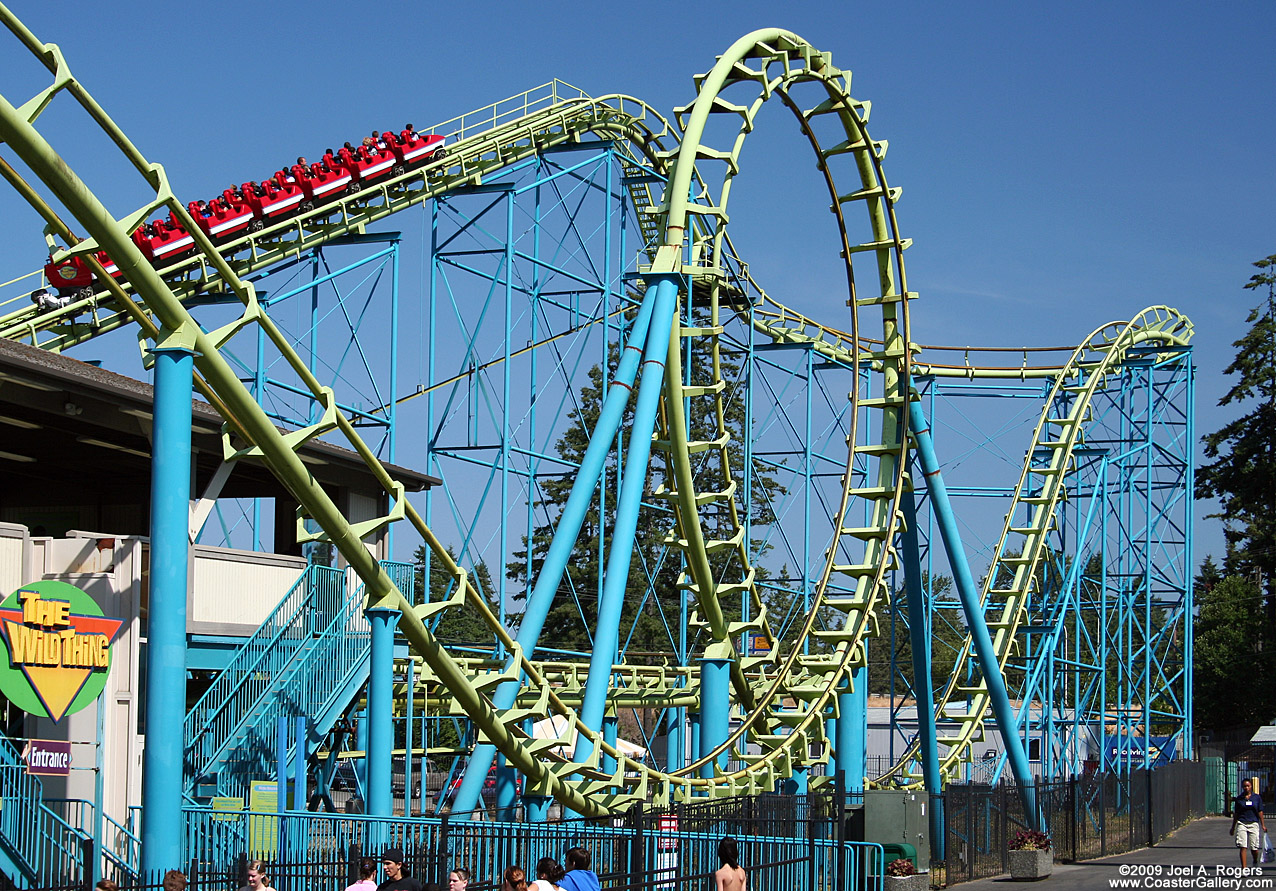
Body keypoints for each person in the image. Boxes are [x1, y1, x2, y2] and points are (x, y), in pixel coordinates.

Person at [1231, 778, 1267, 866]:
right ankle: (1244, 868)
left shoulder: (1257, 798)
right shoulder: (1239, 799)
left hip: (1253, 823)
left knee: (1254, 847)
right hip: (1242, 823)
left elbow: (1260, 811)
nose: (1246, 788)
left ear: (1251, 786)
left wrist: (1263, 825)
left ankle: (1255, 861)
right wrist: (1233, 827)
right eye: (1244, 786)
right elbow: (1236, 814)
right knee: (1243, 846)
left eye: (1248, 786)